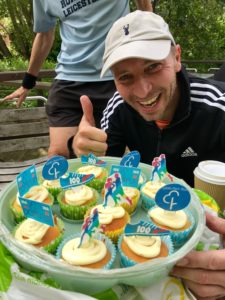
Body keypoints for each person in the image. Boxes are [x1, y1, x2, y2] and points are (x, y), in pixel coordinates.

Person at [70, 10, 225, 299]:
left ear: (177, 58)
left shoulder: (218, 109)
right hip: (145, 249)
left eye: (153, 67)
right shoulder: (118, 109)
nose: (142, 90)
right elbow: (102, 179)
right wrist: (83, 153)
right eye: (125, 77)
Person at [4, 1, 153, 158]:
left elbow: (144, 10)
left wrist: (153, 60)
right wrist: (28, 82)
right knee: (58, 157)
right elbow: (44, 35)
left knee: (108, 157)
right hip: (68, 81)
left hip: (114, 78)